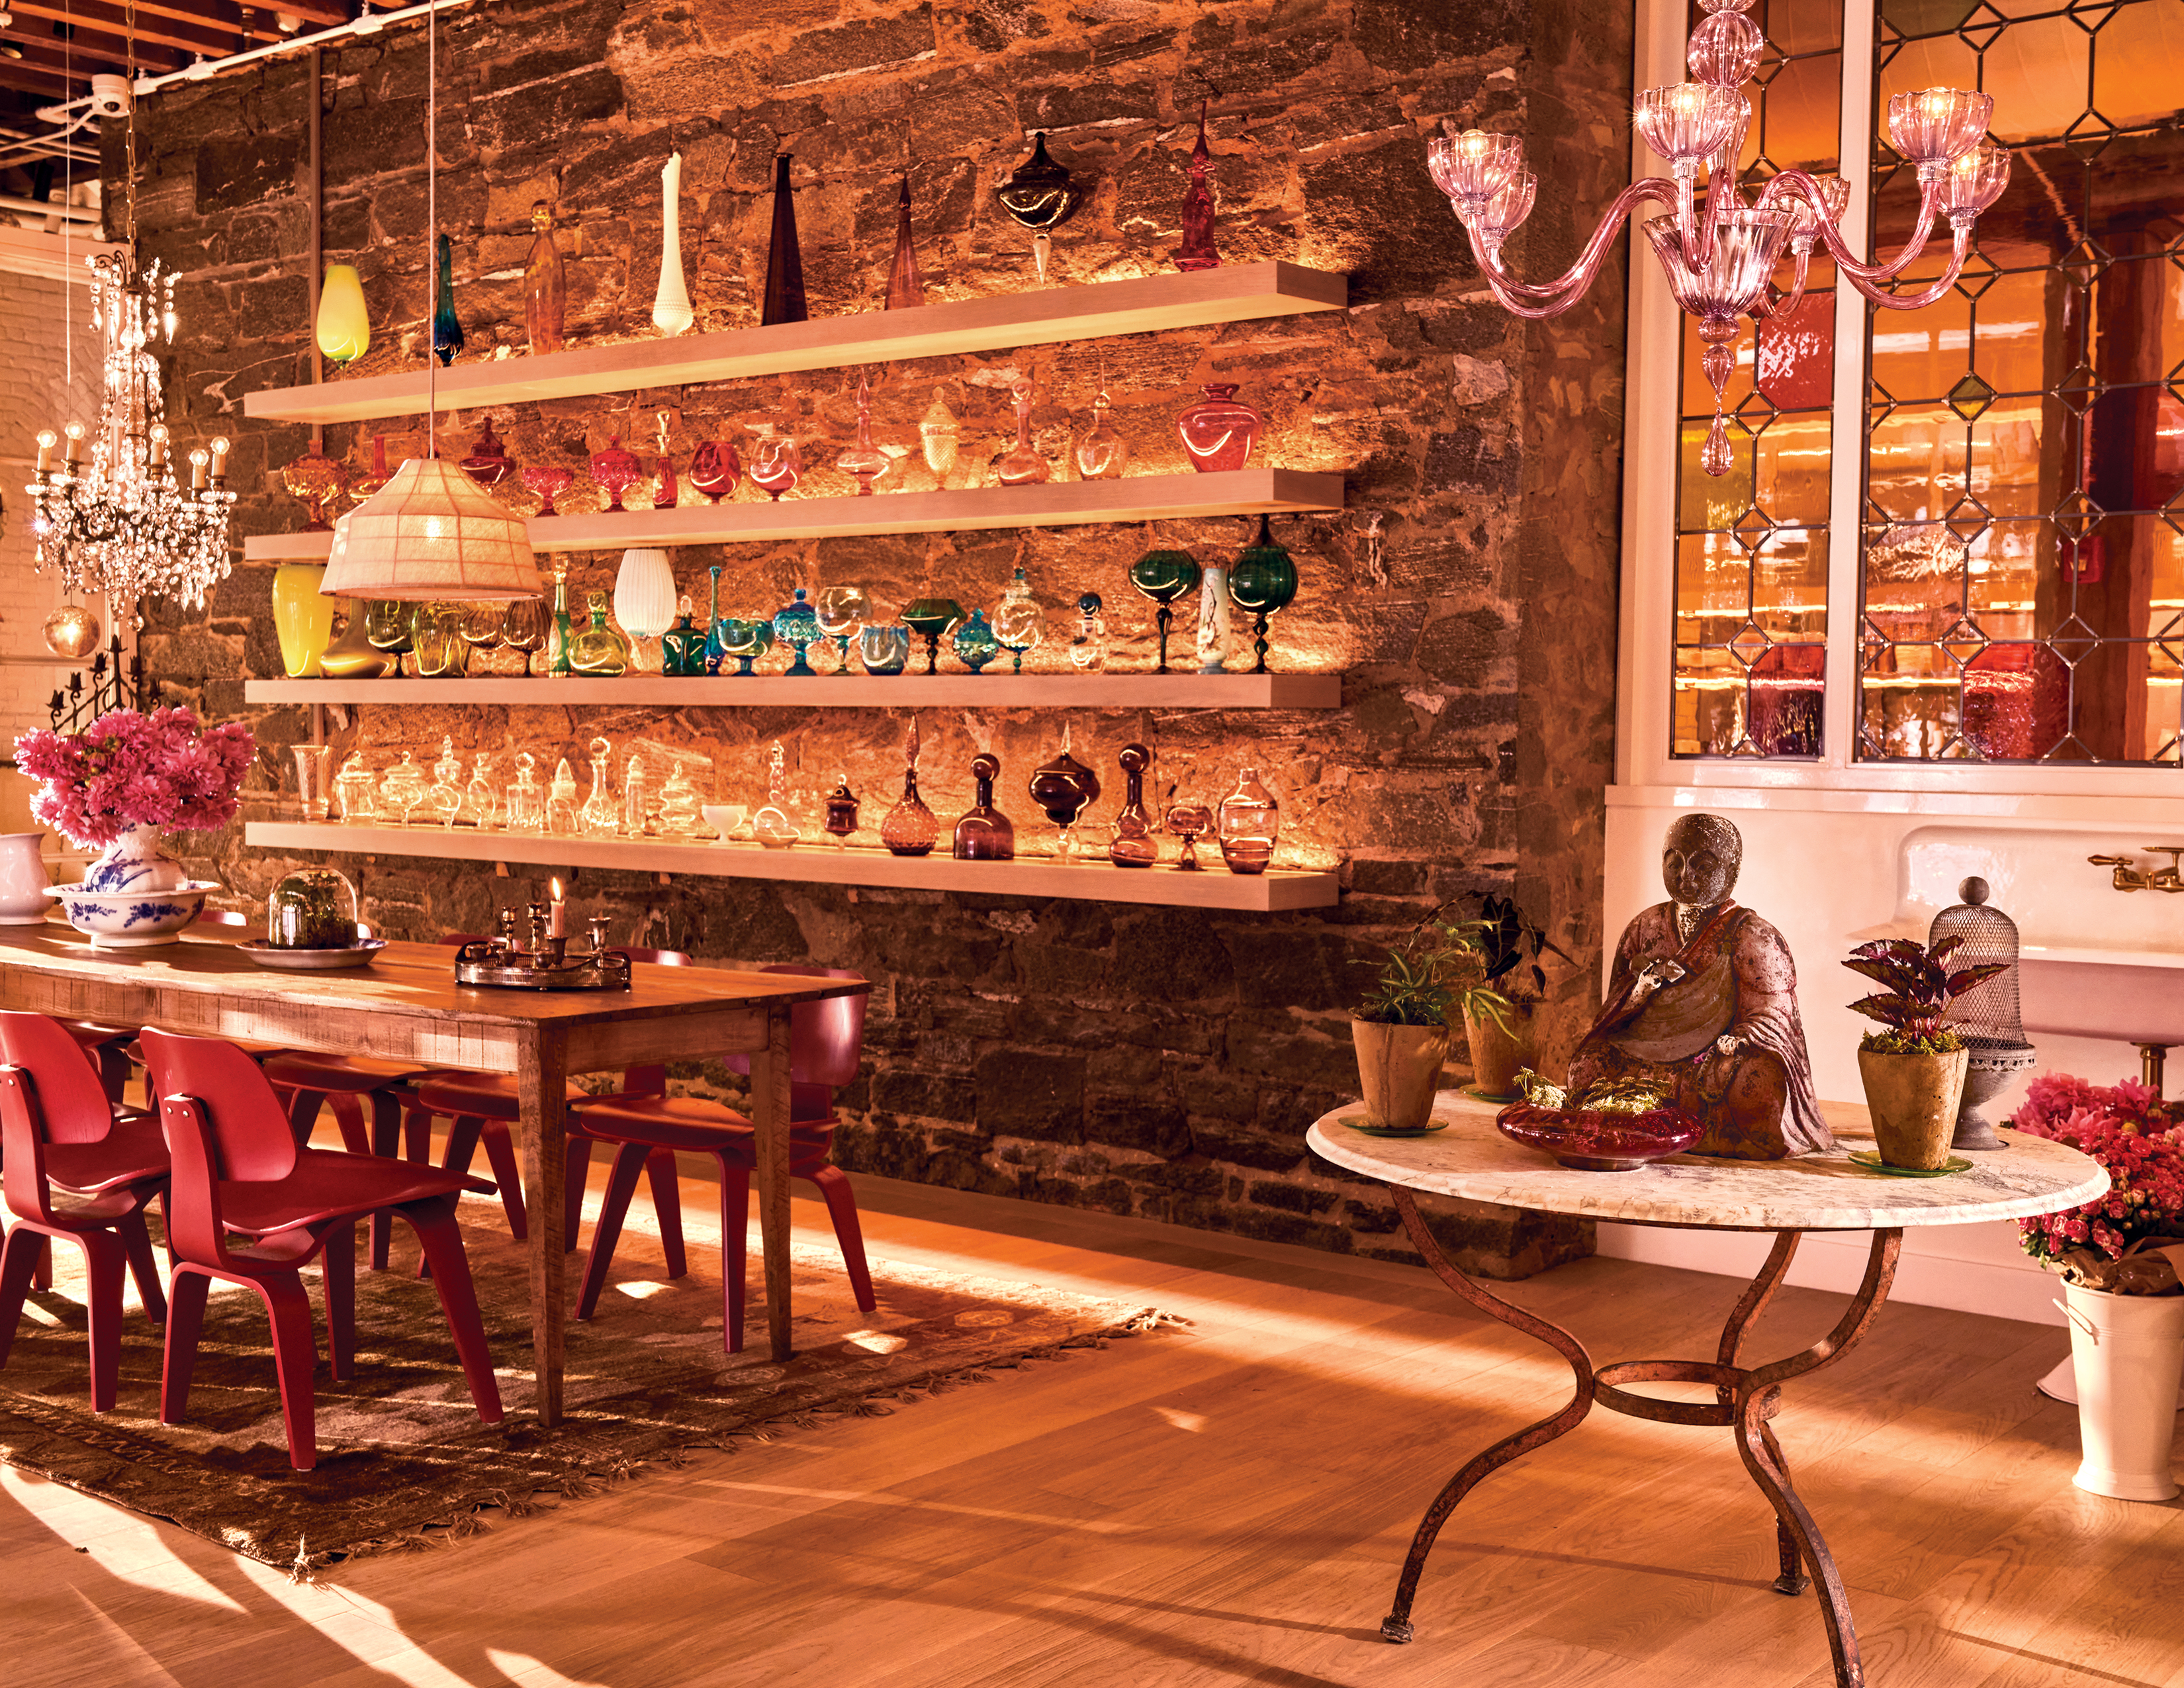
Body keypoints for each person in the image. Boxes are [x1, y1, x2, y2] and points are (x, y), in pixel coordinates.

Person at [1566, 813, 1831, 1159]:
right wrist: (1641, 990)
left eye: (1702, 866)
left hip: (1709, 1061)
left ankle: (1674, 1128)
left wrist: (1740, 1038)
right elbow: (1613, 1013)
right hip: (1643, 1052)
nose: (1685, 877)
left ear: (1732, 872)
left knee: (1758, 1086)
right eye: (1674, 863)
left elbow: (1775, 1014)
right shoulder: (1644, 927)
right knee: (1586, 1068)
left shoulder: (1754, 935)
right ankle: (1666, 1127)